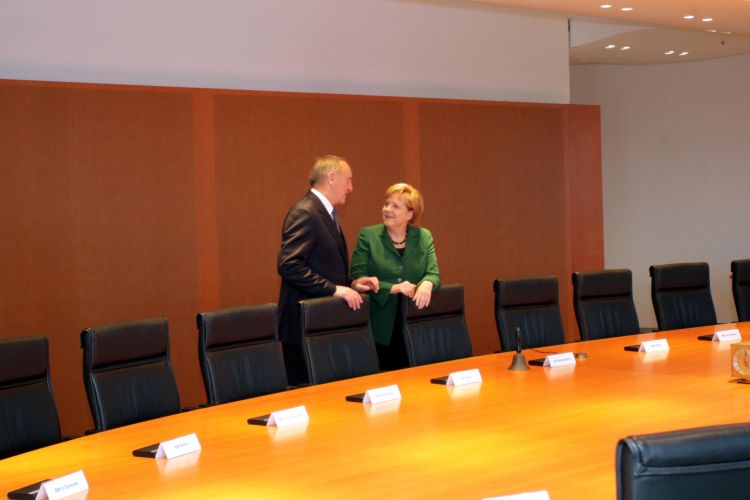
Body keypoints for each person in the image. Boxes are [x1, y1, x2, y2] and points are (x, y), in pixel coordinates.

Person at [277, 155, 375, 385]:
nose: (351, 188)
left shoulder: (323, 212)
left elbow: (321, 264)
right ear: (331, 178)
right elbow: (289, 265)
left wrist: (350, 284)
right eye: (348, 180)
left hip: (320, 323)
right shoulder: (305, 212)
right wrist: (334, 290)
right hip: (303, 326)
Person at [350, 183, 440, 370]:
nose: (387, 209)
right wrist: (392, 288)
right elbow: (357, 280)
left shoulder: (424, 236)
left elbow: (433, 274)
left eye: (395, 206)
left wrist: (428, 283)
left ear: (410, 214)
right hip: (381, 327)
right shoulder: (368, 235)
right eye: (386, 204)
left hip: (415, 324)